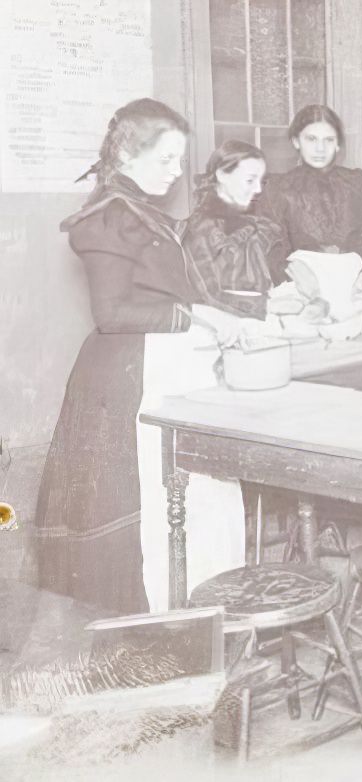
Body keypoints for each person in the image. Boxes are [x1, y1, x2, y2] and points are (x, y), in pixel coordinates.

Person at [37, 99, 251, 614]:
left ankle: (195, 613)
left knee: (189, 503)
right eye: (166, 159)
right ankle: (166, 622)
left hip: (161, 367)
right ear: (128, 154)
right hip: (133, 378)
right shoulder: (109, 216)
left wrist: (203, 312)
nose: (177, 172)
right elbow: (112, 313)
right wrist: (198, 317)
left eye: (181, 160)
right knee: (157, 512)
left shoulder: (136, 211)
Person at [256, 104, 362, 306]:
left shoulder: (357, 183)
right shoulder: (278, 189)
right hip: (301, 286)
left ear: (338, 144)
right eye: (311, 139)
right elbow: (271, 249)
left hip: (353, 286)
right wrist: (289, 271)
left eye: (328, 140)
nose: (320, 148)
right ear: (296, 141)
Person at [183, 140, 287, 318]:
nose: (258, 189)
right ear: (222, 175)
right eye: (250, 180)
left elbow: (276, 274)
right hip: (223, 326)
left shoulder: (257, 225)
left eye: (261, 181)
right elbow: (208, 296)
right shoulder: (200, 229)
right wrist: (269, 306)